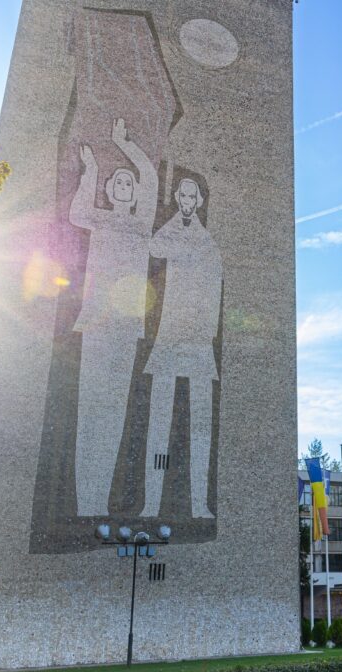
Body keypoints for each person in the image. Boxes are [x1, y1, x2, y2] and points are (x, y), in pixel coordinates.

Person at [68, 118, 157, 516]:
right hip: (95, 322)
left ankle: (99, 501)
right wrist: (90, 172)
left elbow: (150, 177)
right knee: (90, 406)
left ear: (135, 193)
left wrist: (125, 145)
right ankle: (84, 500)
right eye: (117, 182)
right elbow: (77, 213)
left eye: (128, 183)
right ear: (108, 190)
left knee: (114, 410)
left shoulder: (140, 224)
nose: (124, 185)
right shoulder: (100, 219)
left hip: (125, 326)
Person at [142, 178, 222, 518]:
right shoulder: (173, 232)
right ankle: (151, 503)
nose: (188, 201)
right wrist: (177, 219)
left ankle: (200, 503)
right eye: (183, 195)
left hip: (199, 341)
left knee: (201, 428)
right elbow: (155, 247)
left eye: (192, 196)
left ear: (200, 200)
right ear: (177, 198)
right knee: (159, 422)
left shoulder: (209, 244)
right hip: (170, 335)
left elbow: (215, 290)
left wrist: (208, 332)